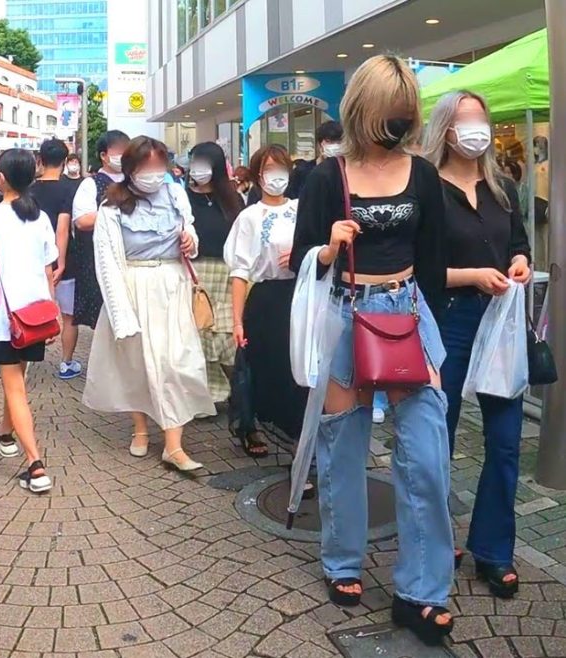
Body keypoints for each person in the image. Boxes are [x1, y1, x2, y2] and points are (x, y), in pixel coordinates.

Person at [290, 55, 453, 644]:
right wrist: (328, 248)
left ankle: (422, 589)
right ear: (364, 110)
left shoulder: (423, 174)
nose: (395, 122)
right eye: (387, 110)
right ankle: (341, 562)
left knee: (427, 455)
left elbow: (431, 259)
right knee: (342, 449)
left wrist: (428, 323)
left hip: (407, 312)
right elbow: (300, 258)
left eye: (403, 112)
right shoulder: (326, 178)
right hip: (343, 313)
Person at [423, 90, 532, 599]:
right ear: (445, 128)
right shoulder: (425, 186)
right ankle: (437, 539)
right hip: (450, 319)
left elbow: (519, 245)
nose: (477, 129)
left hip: (501, 323)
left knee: (506, 441)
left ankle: (494, 549)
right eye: (466, 120)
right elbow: (418, 268)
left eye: (482, 120)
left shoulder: (502, 187)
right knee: (435, 438)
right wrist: (470, 274)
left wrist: (518, 264)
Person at [83, 136, 213, 471]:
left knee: (175, 362)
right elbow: (107, 260)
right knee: (137, 362)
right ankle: (140, 428)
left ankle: (173, 444)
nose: (154, 174)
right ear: (130, 169)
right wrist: (119, 311)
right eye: (146, 167)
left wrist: (190, 241)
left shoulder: (175, 194)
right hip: (134, 285)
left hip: (172, 285)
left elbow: (191, 233)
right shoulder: (112, 205)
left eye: (159, 167)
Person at [0, 149, 57, 492]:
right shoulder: (41, 217)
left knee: (15, 387)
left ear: (1, 178)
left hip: (4, 318)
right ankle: (4, 434)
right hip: (35, 315)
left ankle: (35, 465)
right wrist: (51, 312)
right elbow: (49, 269)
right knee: (17, 378)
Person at [224, 144, 306, 455]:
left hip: (300, 296)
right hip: (267, 298)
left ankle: (298, 436)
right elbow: (240, 272)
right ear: (258, 174)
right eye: (269, 169)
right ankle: (255, 425)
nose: (276, 176)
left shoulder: (302, 209)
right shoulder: (250, 217)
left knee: (297, 366)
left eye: (282, 168)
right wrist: (236, 320)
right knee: (265, 364)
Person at [186, 141, 243, 404]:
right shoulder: (182, 198)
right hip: (195, 274)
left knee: (227, 335)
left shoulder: (233, 199)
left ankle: (237, 391)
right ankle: (208, 396)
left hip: (228, 274)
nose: (198, 170)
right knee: (200, 333)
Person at [29, 138, 82, 379]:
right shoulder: (69, 189)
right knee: (69, 315)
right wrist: (59, 263)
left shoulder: (29, 190)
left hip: (32, 259)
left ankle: (21, 357)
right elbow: (63, 229)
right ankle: (66, 362)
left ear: (40, 159)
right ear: (64, 161)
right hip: (66, 261)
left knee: (28, 307)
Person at [71, 130, 130, 337]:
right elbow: (82, 220)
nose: (123, 155)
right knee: (104, 316)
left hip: (131, 259)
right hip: (99, 259)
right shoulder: (91, 184)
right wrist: (117, 215)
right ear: (103, 155)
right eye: (118, 151)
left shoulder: (135, 181)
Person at [285, 120, 344, 200]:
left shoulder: (346, 173)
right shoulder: (302, 171)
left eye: (338, 142)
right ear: (319, 145)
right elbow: (290, 197)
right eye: (329, 142)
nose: (334, 145)